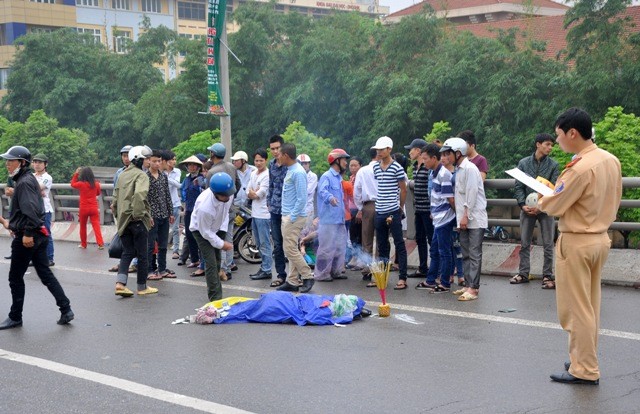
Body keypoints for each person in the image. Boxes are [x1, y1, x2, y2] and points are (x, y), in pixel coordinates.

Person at [539, 108, 621, 385]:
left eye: (559, 135)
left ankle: (584, 369)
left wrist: (540, 196)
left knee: (575, 310)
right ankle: (582, 358)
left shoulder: (580, 167)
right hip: (600, 237)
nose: (557, 140)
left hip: (576, 240)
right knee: (590, 306)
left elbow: (553, 204)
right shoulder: (609, 160)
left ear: (572, 133)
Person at [0, 146, 73, 329]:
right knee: (46, 274)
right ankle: (66, 309)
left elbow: (32, 211)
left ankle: (15, 316)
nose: (8, 164)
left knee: (15, 278)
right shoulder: (27, 179)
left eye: (11, 161)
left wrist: (27, 234)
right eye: (7, 161)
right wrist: (6, 222)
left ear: (22, 163)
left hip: (28, 236)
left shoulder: (24, 182)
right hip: (37, 235)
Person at [511, 133, 560, 288]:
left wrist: (540, 207)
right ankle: (523, 273)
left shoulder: (553, 165)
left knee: (548, 243)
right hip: (526, 207)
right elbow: (518, 186)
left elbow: (554, 187)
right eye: (547, 144)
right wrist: (522, 204)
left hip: (545, 209)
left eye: (551, 145)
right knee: (524, 242)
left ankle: (547, 275)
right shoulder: (524, 163)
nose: (550, 148)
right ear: (538, 144)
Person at [444, 138, 488, 302]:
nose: (447, 156)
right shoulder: (459, 169)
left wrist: (465, 215)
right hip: (463, 217)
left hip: (474, 217)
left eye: (449, 153)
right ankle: (468, 284)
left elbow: (471, 193)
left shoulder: (470, 168)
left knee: (475, 253)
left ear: (458, 153)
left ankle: (474, 288)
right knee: (466, 253)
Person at [111, 146, 157, 297]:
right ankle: (142, 287)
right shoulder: (142, 175)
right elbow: (139, 194)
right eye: (147, 159)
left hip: (123, 220)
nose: (149, 162)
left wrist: (120, 218)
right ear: (139, 160)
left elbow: (115, 199)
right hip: (136, 220)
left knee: (127, 252)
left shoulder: (123, 174)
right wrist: (139, 215)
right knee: (143, 254)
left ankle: (120, 284)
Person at [190, 172, 235, 302]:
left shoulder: (228, 194)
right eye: (225, 195)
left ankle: (218, 272)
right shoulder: (205, 207)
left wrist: (222, 234)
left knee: (217, 260)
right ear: (216, 194)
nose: (228, 197)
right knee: (210, 263)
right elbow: (205, 233)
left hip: (219, 225)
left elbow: (225, 212)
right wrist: (221, 244)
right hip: (201, 231)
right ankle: (216, 299)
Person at [416, 143, 455, 293]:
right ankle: (431, 280)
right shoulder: (433, 173)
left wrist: (457, 217)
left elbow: (450, 199)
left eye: (425, 159)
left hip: (445, 218)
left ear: (434, 158)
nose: (423, 162)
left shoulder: (444, 174)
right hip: (438, 217)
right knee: (435, 250)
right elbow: (436, 196)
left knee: (444, 251)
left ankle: (444, 283)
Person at [371, 136, 409, 290]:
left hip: (393, 210)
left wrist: (400, 207)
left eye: (382, 149)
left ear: (389, 150)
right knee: (382, 245)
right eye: (378, 149)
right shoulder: (375, 167)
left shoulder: (397, 168)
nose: (379, 152)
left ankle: (403, 278)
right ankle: (382, 277)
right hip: (379, 210)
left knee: (399, 243)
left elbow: (403, 189)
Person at [276, 143, 314, 293]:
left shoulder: (298, 172)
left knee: (289, 249)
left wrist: (291, 217)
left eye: (279, 154)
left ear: (286, 155)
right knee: (291, 248)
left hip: (294, 217)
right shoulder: (291, 170)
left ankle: (307, 275)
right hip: (289, 215)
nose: (277, 157)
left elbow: (302, 198)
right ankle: (292, 280)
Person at [314, 148, 350, 282]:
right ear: (336, 161)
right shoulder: (327, 176)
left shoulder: (339, 178)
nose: (346, 162)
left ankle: (336, 271)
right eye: (344, 159)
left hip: (338, 219)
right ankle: (322, 274)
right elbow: (322, 191)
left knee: (340, 246)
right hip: (328, 220)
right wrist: (330, 198)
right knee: (326, 248)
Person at [207, 143, 240, 280]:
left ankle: (222, 269)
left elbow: (208, 193)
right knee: (228, 238)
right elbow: (238, 185)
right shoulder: (232, 167)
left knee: (218, 239)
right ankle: (228, 267)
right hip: (231, 207)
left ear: (212, 154)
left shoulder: (212, 172)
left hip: (217, 211)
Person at [146, 150, 175, 280]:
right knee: (151, 244)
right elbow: (144, 198)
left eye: (159, 161)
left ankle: (162, 269)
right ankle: (150, 269)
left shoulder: (163, 176)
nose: (157, 163)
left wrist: (171, 212)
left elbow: (167, 195)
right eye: (154, 161)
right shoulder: (145, 177)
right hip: (152, 215)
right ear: (149, 162)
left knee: (163, 244)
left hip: (164, 214)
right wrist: (148, 215)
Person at [404, 138, 431, 279]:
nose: (409, 152)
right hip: (418, 209)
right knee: (419, 239)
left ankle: (435, 269)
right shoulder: (415, 167)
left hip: (428, 209)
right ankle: (422, 268)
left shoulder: (428, 167)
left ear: (419, 150)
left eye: (411, 149)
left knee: (432, 240)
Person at [247, 149, 273, 280]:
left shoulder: (267, 175)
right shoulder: (253, 174)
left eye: (261, 160)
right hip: (255, 213)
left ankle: (267, 269)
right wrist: (252, 192)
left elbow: (259, 194)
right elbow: (248, 190)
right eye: (256, 160)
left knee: (264, 243)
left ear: (265, 161)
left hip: (264, 214)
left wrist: (254, 193)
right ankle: (264, 267)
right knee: (257, 243)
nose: (258, 163)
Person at [267, 135, 289, 287]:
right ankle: (281, 275)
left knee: (291, 244)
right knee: (277, 245)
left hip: (288, 210)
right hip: (274, 209)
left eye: (277, 148)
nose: (275, 151)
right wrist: (268, 201)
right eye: (272, 149)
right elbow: (271, 184)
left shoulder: (291, 164)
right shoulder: (271, 165)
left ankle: (297, 275)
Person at [353, 148, 378, 280]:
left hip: (368, 205)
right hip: (383, 205)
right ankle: (379, 270)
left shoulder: (363, 171)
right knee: (381, 239)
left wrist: (361, 207)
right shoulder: (385, 168)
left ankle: (367, 270)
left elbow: (357, 191)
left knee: (366, 239)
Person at [179, 155, 205, 271]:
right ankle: (194, 259)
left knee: (199, 235)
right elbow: (183, 193)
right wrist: (184, 208)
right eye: (190, 165)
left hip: (200, 210)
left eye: (194, 165)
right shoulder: (186, 179)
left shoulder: (201, 178)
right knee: (189, 235)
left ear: (198, 167)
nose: (192, 167)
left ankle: (201, 259)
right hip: (189, 209)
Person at [71, 166, 104, 249]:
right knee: (96, 226)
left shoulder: (81, 184)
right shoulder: (96, 184)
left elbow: (72, 184)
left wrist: (76, 173)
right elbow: (98, 193)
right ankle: (100, 243)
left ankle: (83, 244)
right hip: (93, 208)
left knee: (83, 226)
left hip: (83, 208)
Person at [32, 153, 55, 266]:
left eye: (40, 162)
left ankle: (49, 258)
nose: (37, 164)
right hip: (33, 209)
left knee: (46, 234)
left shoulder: (47, 177)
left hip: (44, 210)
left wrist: (34, 190)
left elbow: (37, 188)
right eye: (35, 162)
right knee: (33, 234)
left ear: (45, 164)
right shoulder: (31, 176)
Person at [162, 150, 183, 260]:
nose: (174, 161)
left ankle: (175, 250)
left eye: (175, 159)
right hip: (163, 204)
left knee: (175, 229)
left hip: (175, 203)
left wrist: (166, 178)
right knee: (163, 229)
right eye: (172, 159)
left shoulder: (177, 171)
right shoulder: (161, 171)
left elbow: (178, 185)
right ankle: (162, 249)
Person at [345, 157, 362, 270]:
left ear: (360, 166)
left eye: (355, 165)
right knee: (352, 235)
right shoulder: (350, 178)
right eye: (351, 165)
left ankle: (360, 259)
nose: (353, 167)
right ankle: (355, 257)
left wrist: (361, 210)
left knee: (359, 235)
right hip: (350, 209)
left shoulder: (361, 178)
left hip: (358, 209)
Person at [296, 153, 318, 222]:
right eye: (301, 164)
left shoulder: (313, 176)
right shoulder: (294, 175)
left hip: (307, 208)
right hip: (296, 209)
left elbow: (307, 191)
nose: (303, 166)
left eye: (306, 163)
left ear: (309, 164)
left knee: (307, 231)